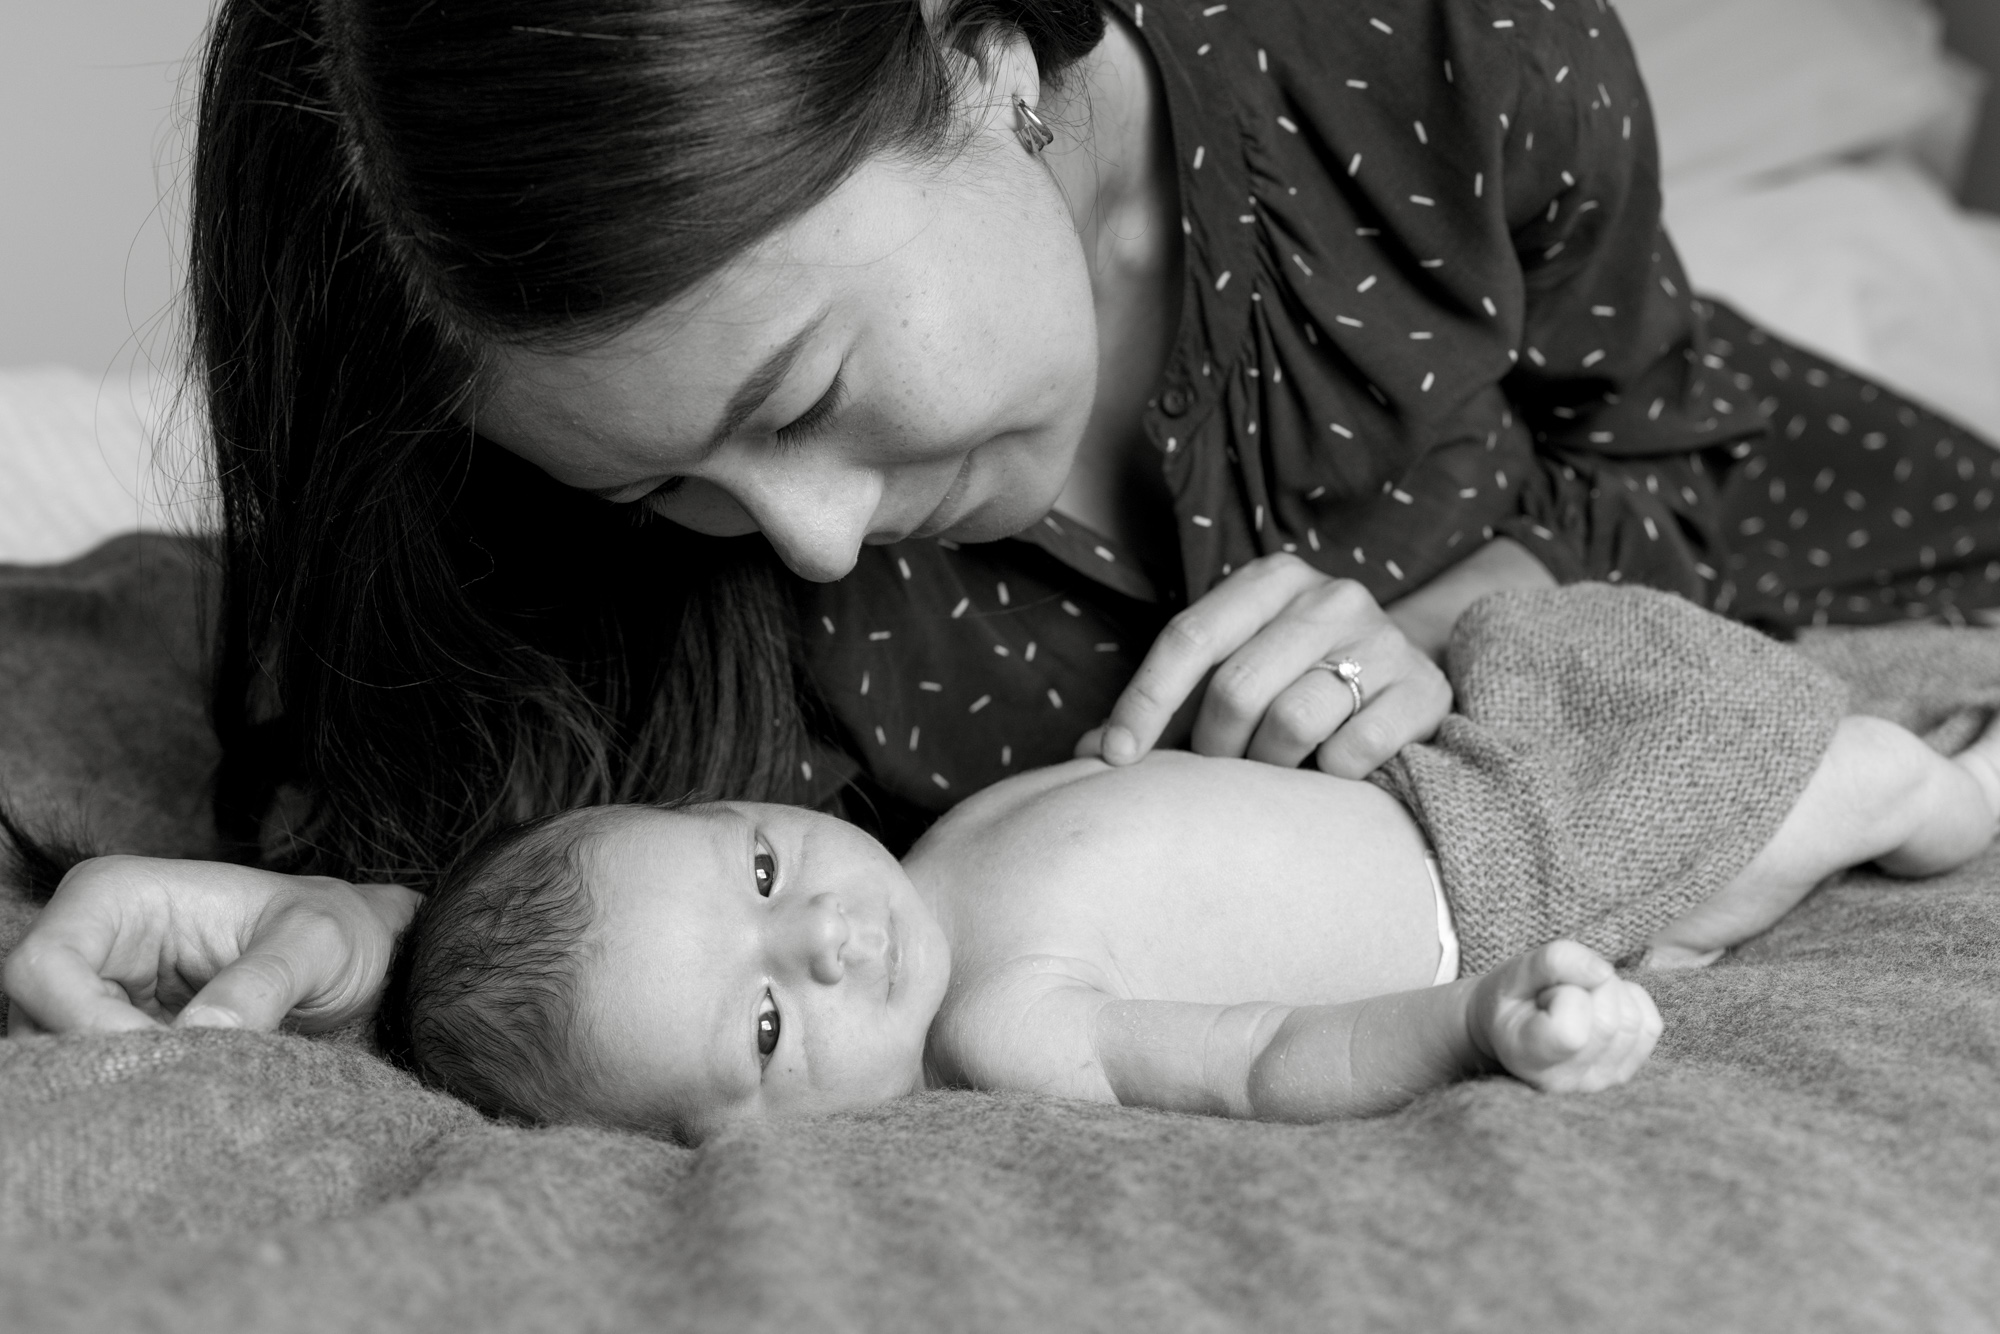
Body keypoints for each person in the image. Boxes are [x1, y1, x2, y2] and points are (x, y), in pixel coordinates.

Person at [8, 0, 2000, 1037]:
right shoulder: (603, 560)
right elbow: (577, 892)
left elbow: (1659, 452)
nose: (802, 541)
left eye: (796, 397)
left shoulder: (1434, 51)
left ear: (974, 59)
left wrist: (1470, 622)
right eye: (667, 483)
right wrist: (364, 936)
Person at [387, 586, 2000, 1138]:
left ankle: (1729, 894)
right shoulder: (999, 1025)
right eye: (763, 1025)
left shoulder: (934, 848)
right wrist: (1475, 1016)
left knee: (1706, 747)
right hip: (1518, 872)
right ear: (733, 1141)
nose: (817, 933)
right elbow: (1260, 1054)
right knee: (1851, 778)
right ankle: (1963, 796)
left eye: (754, 872)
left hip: (1464, 771)